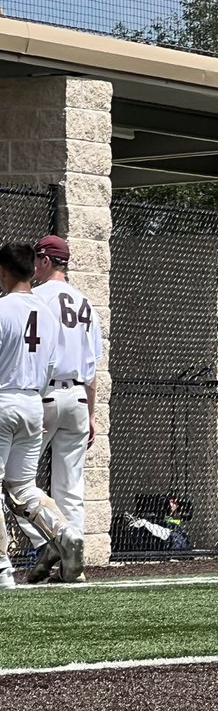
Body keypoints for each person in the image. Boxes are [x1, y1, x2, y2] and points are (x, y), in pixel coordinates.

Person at [18, 235, 104, 583]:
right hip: (79, 398)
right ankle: (73, 560)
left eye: (37, 259)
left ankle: (50, 542)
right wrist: (93, 412)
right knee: (71, 485)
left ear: (45, 261)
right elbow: (94, 366)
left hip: (43, 397)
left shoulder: (33, 298)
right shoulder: (86, 304)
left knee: (16, 481)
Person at [0, 243, 85, 590]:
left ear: (4, 271)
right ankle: (65, 532)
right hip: (35, 404)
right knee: (22, 487)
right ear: (33, 270)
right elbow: (50, 365)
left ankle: (2, 568)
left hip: (3, 400)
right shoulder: (48, 316)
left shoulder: (2, 309)